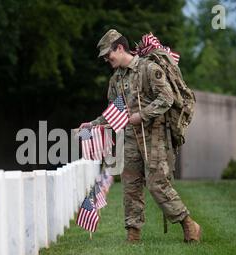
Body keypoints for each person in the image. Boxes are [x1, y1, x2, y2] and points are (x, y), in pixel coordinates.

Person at [79, 29, 201, 243]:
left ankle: (188, 224)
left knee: (157, 184)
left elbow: (167, 99)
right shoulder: (116, 79)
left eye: (109, 54)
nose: (107, 59)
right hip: (130, 138)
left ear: (120, 48)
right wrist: (93, 124)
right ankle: (133, 233)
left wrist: (141, 116)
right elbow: (112, 113)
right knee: (131, 185)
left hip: (155, 136)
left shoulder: (149, 68)